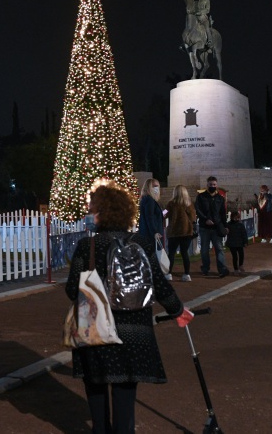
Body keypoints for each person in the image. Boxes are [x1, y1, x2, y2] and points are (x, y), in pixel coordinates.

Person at [66, 180, 192, 433]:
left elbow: (72, 290)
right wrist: (178, 310)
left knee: (97, 387)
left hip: (97, 329)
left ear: (101, 213)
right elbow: (160, 284)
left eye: (92, 208)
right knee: (125, 393)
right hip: (135, 329)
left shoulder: (88, 246)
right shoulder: (142, 243)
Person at [194, 176, 230, 277]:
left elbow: (223, 213)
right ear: (207, 185)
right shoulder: (201, 197)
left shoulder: (220, 198)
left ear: (217, 185)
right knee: (204, 250)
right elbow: (198, 209)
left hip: (216, 227)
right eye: (210, 184)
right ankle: (205, 268)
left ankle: (222, 269)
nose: (212, 186)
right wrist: (206, 219)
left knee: (219, 248)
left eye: (214, 184)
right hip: (204, 227)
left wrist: (225, 225)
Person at [137, 178, 168, 280]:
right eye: (154, 186)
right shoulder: (150, 200)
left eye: (157, 186)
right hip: (151, 234)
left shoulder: (147, 200)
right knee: (152, 256)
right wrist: (154, 231)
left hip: (148, 232)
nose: (156, 188)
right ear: (149, 187)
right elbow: (149, 217)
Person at [165, 184, 197, 281]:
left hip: (174, 231)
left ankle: (169, 273)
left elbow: (164, 214)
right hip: (186, 232)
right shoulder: (189, 204)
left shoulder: (171, 203)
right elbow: (193, 217)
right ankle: (187, 274)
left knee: (171, 253)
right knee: (184, 253)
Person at [226, 211, 249, 275]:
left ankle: (241, 265)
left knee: (241, 255)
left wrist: (245, 242)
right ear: (232, 217)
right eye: (235, 217)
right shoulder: (228, 225)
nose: (236, 219)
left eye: (238, 218)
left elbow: (244, 234)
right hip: (232, 243)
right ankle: (235, 269)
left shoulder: (240, 225)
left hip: (240, 243)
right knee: (235, 256)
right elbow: (225, 232)